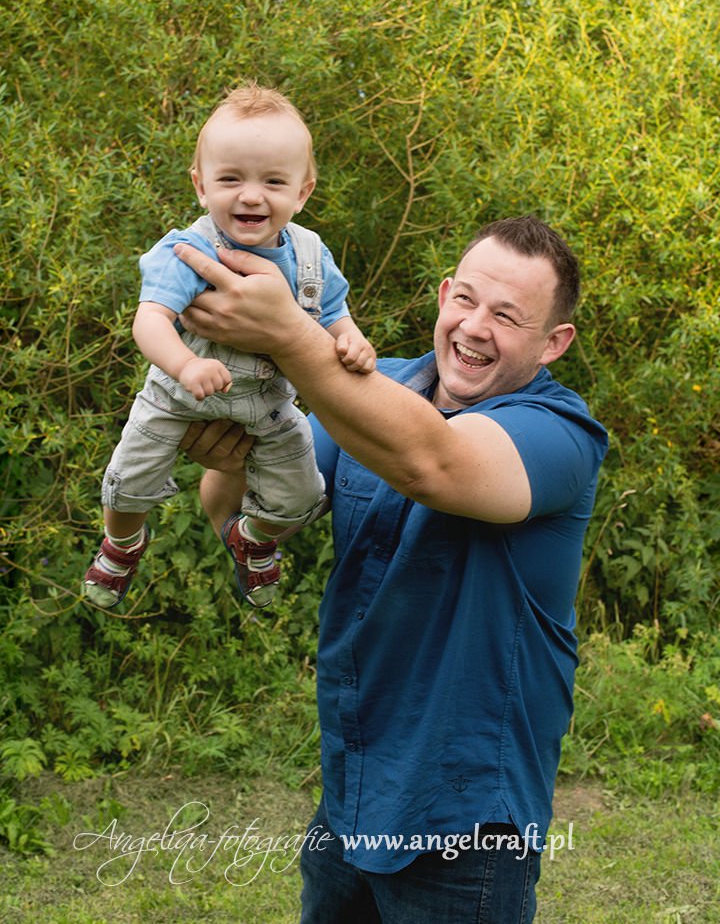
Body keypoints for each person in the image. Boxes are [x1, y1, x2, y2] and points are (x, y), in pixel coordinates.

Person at [173, 216, 609, 923]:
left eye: (507, 316)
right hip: (353, 786)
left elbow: (431, 462)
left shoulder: (563, 435)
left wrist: (288, 334)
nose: (474, 328)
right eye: (465, 299)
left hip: (466, 814)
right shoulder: (376, 388)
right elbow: (247, 516)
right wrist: (229, 455)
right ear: (443, 295)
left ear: (554, 342)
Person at [84, 85, 375, 610]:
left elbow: (333, 312)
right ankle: (122, 543)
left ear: (302, 192)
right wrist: (186, 364)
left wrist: (351, 339)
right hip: (176, 395)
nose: (251, 195)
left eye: (273, 181)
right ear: (201, 186)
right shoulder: (187, 249)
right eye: (231, 178)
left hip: (269, 405)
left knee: (304, 497)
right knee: (128, 481)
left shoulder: (310, 254)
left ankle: (253, 537)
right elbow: (149, 321)